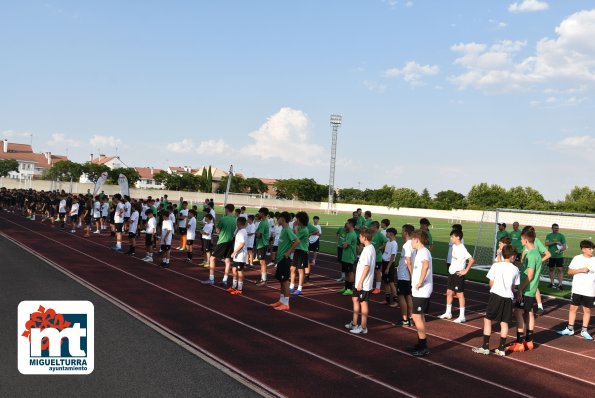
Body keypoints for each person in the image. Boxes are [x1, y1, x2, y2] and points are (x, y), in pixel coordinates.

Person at [472, 244, 520, 356]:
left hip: (496, 296)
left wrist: (495, 289)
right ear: (512, 256)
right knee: (504, 323)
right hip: (508, 298)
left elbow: (491, 282)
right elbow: (514, 286)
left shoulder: (496, 266)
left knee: (488, 319)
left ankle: (485, 347)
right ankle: (501, 348)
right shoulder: (516, 269)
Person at [508, 229, 541, 352]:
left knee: (518, 313)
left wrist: (520, 289)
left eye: (521, 239)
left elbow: (530, 275)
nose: (520, 241)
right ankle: (529, 340)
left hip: (527, 290)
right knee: (529, 313)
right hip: (531, 290)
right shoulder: (536, 253)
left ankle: (519, 342)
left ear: (526, 240)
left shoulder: (531, 255)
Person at [557, 240, 594, 340]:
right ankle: (570, 329)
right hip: (577, 289)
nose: (592, 250)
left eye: (592, 248)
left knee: (587, 310)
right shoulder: (577, 258)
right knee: (573, 308)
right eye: (590, 248)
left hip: (589, 290)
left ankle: (584, 331)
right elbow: (569, 271)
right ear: (583, 249)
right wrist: (581, 270)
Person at [439, 229, 474, 323]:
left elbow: (471, 260)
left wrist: (465, 270)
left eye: (452, 237)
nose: (451, 238)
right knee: (449, 292)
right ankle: (448, 313)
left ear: (458, 237)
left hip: (458, 274)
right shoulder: (454, 246)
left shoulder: (462, 248)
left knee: (459, 294)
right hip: (451, 273)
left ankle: (462, 316)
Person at [345, 229, 375, 334]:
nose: (359, 238)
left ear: (365, 238)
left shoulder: (368, 250)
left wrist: (360, 282)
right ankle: (354, 323)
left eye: (360, 236)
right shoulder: (367, 248)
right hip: (359, 281)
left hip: (363, 283)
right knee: (355, 300)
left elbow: (366, 268)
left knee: (363, 304)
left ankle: (363, 327)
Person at [270, 211, 300, 311]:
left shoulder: (287, 230)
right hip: (280, 259)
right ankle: (281, 300)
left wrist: (288, 252)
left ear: (282, 219)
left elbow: (297, 241)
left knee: (285, 281)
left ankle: (286, 303)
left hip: (284, 259)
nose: (277, 220)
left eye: (278, 218)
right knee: (281, 280)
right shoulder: (283, 229)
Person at [409, 229, 433, 356]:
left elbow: (426, 265)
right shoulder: (421, 252)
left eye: (412, 239)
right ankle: (421, 343)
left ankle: (423, 346)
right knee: (419, 316)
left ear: (417, 239)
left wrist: (420, 281)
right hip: (419, 290)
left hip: (422, 290)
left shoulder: (423, 252)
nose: (411, 241)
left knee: (416, 316)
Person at [202, 204, 236, 286]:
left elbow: (217, 231)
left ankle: (211, 279)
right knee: (227, 261)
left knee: (212, 259)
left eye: (225, 209)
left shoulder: (223, 219)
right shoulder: (235, 219)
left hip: (222, 241)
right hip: (230, 241)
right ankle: (225, 280)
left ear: (227, 209)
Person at [290, 211, 318, 296]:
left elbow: (294, 238)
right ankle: (291, 286)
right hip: (297, 251)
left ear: (300, 220)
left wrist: (294, 230)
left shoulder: (304, 230)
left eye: (297, 219)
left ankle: (299, 288)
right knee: (292, 269)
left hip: (302, 252)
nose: (296, 220)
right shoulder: (300, 228)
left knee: (300, 270)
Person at [394, 224, 414, 327]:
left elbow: (408, 261)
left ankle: (405, 319)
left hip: (403, 274)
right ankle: (411, 318)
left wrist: (412, 275)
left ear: (406, 232)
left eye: (402, 231)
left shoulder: (407, 245)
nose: (401, 233)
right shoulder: (412, 244)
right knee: (408, 295)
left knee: (401, 296)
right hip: (406, 275)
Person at [227, 216, 248, 295]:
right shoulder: (240, 230)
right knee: (234, 270)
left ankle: (239, 289)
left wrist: (234, 252)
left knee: (239, 272)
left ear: (239, 223)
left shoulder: (242, 232)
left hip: (240, 255)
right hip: (237, 256)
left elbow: (242, 244)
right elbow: (234, 235)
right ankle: (234, 286)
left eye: (237, 222)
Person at [545, 223, 567, 290]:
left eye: (557, 228)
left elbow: (564, 247)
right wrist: (555, 242)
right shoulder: (549, 235)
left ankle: (560, 284)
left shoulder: (561, 236)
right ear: (552, 228)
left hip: (559, 256)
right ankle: (552, 283)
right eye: (555, 228)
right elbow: (546, 243)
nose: (556, 229)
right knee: (551, 269)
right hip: (551, 255)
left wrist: (560, 250)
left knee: (560, 270)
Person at [339, 219, 357, 296]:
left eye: (348, 223)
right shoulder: (349, 233)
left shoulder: (352, 234)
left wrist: (343, 244)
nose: (347, 224)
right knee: (346, 273)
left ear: (351, 224)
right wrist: (344, 244)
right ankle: (346, 287)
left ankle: (350, 289)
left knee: (350, 273)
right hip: (345, 256)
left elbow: (345, 245)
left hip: (349, 256)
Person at [381, 227, 398, 307]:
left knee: (391, 282)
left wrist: (388, 267)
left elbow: (392, 256)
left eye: (387, 233)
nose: (386, 234)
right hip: (384, 263)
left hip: (389, 264)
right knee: (386, 282)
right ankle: (387, 299)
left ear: (391, 233)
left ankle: (395, 300)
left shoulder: (394, 244)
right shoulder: (388, 242)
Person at [370, 221, 388, 294]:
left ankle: (378, 288)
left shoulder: (380, 235)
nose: (370, 228)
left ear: (375, 227)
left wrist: (379, 248)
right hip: (371, 256)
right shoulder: (372, 234)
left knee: (377, 272)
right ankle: (371, 286)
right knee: (371, 271)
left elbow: (385, 242)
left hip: (377, 257)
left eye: (371, 226)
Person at [255, 207, 271, 286]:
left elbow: (258, 234)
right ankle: (262, 278)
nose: (258, 214)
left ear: (263, 214)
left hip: (262, 244)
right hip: (261, 244)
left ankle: (264, 280)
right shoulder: (263, 222)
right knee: (261, 262)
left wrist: (254, 232)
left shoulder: (263, 223)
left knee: (262, 261)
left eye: (260, 213)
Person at [306, 215, 322, 281]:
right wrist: (314, 233)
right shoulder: (311, 226)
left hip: (316, 239)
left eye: (317, 219)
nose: (316, 220)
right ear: (313, 220)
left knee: (315, 251)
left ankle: (313, 260)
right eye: (315, 219)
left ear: (318, 220)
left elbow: (319, 234)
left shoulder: (319, 226)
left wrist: (313, 233)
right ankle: (307, 260)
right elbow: (309, 232)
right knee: (308, 251)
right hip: (310, 240)